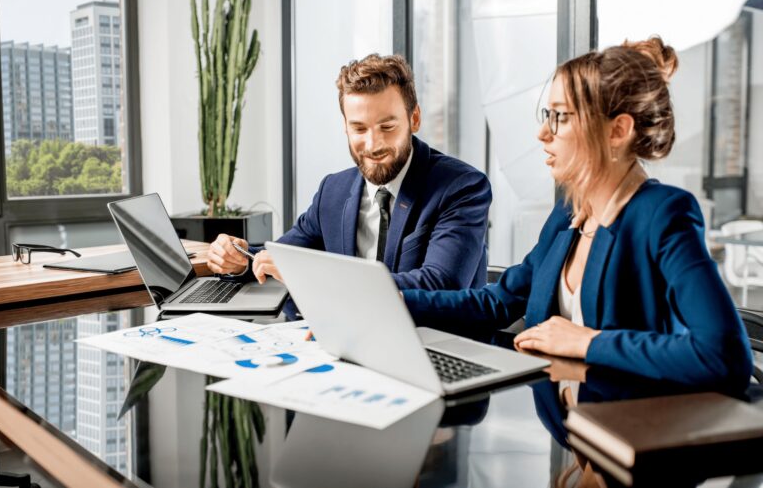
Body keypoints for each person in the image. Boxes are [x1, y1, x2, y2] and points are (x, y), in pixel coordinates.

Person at [402, 37, 752, 392]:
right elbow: (498, 303)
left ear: (617, 131)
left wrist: (585, 341)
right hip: (562, 431)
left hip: (624, 433)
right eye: (546, 115)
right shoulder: (568, 214)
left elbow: (725, 355)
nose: (542, 134)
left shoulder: (663, 215)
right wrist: (396, 300)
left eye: (560, 117)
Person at [207, 53, 492, 291]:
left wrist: (315, 280)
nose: (372, 144)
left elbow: (440, 284)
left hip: (431, 344)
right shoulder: (334, 190)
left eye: (387, 127)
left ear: (414, 119)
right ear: (345, 125)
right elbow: (286, 256)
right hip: (344, 342)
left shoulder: (462, 187)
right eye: (359, 128)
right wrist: (240, 258)